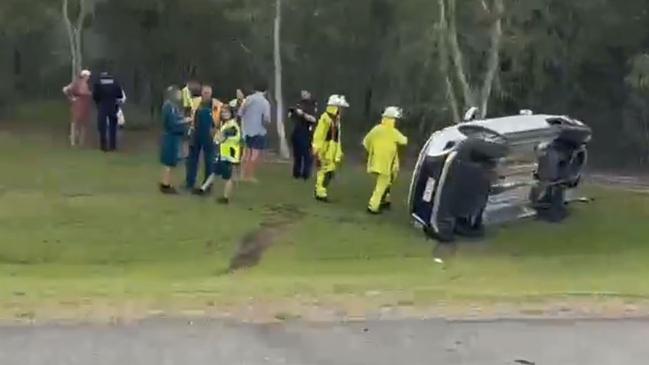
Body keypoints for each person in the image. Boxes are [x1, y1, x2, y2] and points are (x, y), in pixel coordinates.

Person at [362, 106, 409, 214]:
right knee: (382, 184)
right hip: (388, 163)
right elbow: (404, 141)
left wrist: (373, 151)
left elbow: (366, 141)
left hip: (377, 161)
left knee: (385, 182)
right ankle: (373, 206)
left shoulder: (376, 129)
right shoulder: (393, 131)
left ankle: (384, 201)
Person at [194, 104, 242, 204]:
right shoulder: (226, 124)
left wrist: (215, 135)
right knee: (214, 172)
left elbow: (219, 138)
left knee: (227, 177)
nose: (224, 114)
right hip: (224, 153)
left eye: (227, 112)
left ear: (231, 113)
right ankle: (203, 189)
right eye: (223, 112)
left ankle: (225, 198)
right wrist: (216, 136)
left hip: (230, 156)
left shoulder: (232, 126)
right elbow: (218, 138)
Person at [312, 94, 349, 202]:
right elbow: (319, 135)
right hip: (324, 150)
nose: (342, 110)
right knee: (324, 172)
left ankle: (320, 191)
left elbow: (337, 138)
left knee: (328, 172)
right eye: (340, 107)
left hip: (331, 151)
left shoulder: (335, 120)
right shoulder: (326, 118)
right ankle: (320, 192)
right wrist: (316, 149)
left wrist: (338, 152)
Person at [185, 85, 219, 190]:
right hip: (196, 133)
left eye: (208, 93)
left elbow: (222, 118)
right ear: (201, 93)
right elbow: (188, 114)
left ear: (211, 93)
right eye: (204, 92)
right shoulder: (194, 102)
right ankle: (190, 183)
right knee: (192, 159)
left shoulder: (217, 104)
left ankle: (207, 185)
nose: (206, 95)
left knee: (209, 160)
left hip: (210, 135)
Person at [159, 86, 192, 194]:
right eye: (178, 93)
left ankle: (168, 182)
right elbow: (172, 123)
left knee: (171, 162)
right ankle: (165, 185)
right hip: (170, 137)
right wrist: (185, 121)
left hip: (173, 137)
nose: (180, 95)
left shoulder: (173, 106)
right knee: (168, 162)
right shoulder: (168, 106)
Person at [239, 81, 271, 182]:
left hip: (246, 130)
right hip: (259, 131)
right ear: (266, 90)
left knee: (246, 154)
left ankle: (242, 174)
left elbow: (240, 112)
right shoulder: (265, 102)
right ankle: (249, 176)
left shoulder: (248, 99)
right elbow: (266, 119)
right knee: (255, 154)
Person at [289, 90, 318, 180]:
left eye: (305, 92)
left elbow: (313, 119)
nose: (303, 94)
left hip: (307, 131)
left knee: (306, 154)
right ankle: (296, 173)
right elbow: (291, 116)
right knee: (297, 153)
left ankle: (306, 173)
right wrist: (292, 113)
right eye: (302, 93)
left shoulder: (312, 105)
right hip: (297, 131)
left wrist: (303, 114)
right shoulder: (298, 104)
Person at [92, 71, 125, 151]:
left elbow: (95, 95)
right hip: (113, 106)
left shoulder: (98, 82)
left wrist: (98, 101)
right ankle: (112, 146)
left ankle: (103, 146)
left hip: (102, 106)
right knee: (113, 127)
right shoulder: (115, 82)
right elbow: (120, 95)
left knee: (102, 127)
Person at [62, 69, 93, 147]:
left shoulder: (87, 84)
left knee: (83, 123)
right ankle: (73, 141)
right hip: (78, 104)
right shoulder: (76, 83)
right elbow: (65, 89)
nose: (89, 77)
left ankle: (81, 142)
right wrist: (71, 98)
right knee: (75, 122)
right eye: (88, 76)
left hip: (85, 105)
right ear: (84, 76)